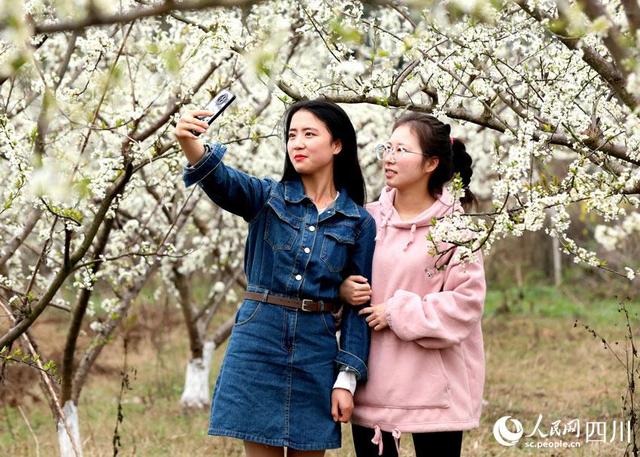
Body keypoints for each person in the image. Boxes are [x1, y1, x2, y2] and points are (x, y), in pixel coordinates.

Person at [175, 99, 376, 456]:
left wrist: (347, 378)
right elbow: (220, 180)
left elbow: (361, 303)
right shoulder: (266, 198)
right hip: (259, 341)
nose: (297, 143)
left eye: (309, 134)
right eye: (292, 135)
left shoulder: (358, 222)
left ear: (337, 145)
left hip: (316, 349)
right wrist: (189, 141)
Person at [339, 113, 486, 457]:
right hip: (372, 390)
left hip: (435, 397)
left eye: (401, 150)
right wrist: (343, 288)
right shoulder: (366, 220)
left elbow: (465, 305)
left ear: (431, 163)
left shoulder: (456, 230)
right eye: (387, 147)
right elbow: (335, 279)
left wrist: (396, 312)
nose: (389, 157)